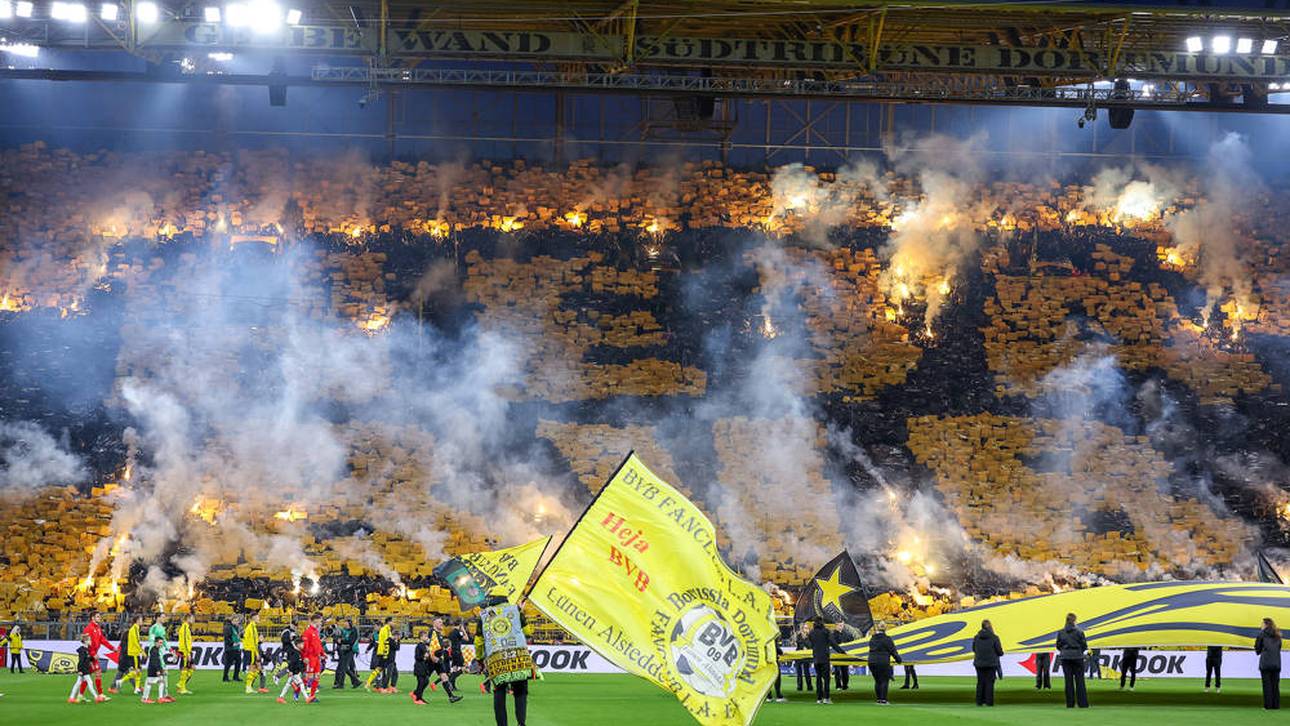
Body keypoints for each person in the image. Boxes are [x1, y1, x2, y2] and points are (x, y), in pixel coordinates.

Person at [476, 595, 529, 725]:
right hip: (518, 657)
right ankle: (521, 723)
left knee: (499, 692)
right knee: (520, 691)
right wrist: (520, 612)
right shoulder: (516, 611)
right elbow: (527, 632)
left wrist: (480, 659)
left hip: (497, 659)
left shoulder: (483, 615)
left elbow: (478, 641)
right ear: (506, 599)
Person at [1055, 612, 1090, 708]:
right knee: (1080, 681)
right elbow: (1084, 646)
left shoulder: (1061, 632)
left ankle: (1070, 703)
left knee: (1068, 681)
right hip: (1077, 657)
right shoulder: (1079, 632)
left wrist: (1064, 651)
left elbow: (1058, 645)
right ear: (1074, 620)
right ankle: (1082, 703)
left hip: (1065, 658)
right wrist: (1079, 652)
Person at [807, 618, 844, 704]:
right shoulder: (826, 631)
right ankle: (826, 697)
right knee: (826, 679)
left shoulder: (812, 632)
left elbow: (810, 644)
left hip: (816, 658)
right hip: (825, 658)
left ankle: (819, 698)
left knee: (818, 678)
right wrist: (842, 652)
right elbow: (833, 643)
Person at [82, 613, 116, 700]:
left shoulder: (98, 628)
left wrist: (112, 648)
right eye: (97, 617)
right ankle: (99, 694)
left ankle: (81, 695)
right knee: (95, 674)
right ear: (92, 618)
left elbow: (103, 640)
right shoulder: (88, 628)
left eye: (99, 617)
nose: (99, 618)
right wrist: (93, 653)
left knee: (88, 676)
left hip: (94, 655)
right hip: (89, 655)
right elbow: (86, 642)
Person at [867, 622, 901, 705]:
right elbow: (893, 651)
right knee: (884, 681)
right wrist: (898, 660)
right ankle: (883, 699)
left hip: (872, 661)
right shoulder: (887, 639)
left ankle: (878, 699)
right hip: (883, 661)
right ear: (886, 629)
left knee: (877, 681)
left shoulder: (872, 638)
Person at [972, 619, 1004, 707]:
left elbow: (974, 649)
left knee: (980, 682)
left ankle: (979, 701)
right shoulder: (995, 638)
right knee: (989, 682)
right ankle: (989, 701)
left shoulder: (976, 637)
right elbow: (999, 651)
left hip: (979, 662)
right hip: (991, 663)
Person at [68, 634, 106, 704]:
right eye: (89, 640)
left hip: (85, 669)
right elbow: (81, 661)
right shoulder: (83, 651)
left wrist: (93, 658)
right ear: (85, 641)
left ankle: (71, 698)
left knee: (78, 683)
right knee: (90, 683)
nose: (91, 641)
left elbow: (87, 659)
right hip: (84, 670)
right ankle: (96, 697)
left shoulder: (86, 649)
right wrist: (80, 670)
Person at [112, 613, 144, 694]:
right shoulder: (132, 631)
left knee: (129, 671)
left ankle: (136, 687)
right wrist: (141, 650)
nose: (142, 621)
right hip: (128, 655)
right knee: (128, 671)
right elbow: (133, 643)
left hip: (128, 654)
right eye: (141, 620)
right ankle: (118, 683)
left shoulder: (134, 630)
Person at [1255, 617, 1281, 710]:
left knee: (1267, 685)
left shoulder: (1261, 634)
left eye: (1262, 624)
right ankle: (1276, 705)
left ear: (1265, 624)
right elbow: (1279, 647)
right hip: (1276, 663)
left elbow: (1257, 649)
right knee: (1275, 685)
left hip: (1265, 663)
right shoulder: (1278, 634)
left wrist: (1260, 650)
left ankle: (1268, 705)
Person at [140, 636, 173, 704]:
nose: (161, 644)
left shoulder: (155, 649)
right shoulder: (154, 650)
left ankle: (160, 698)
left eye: (162, 643)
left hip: (154, 669)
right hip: (153, 670)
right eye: (160, 643)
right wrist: (158, 670)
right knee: (149, 684)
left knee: (161, 682)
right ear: (156, 642)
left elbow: (157, 662)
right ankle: (145, 698)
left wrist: (161, 670)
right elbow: (155, 661)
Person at [301, 614, 324, 703]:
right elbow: (305, 646)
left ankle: (312, 696)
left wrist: (322, 653)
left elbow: (318, 644)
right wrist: (305, 656)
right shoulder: (308, 632)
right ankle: (298, 689)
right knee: (308, 676)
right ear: (316, 620)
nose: (321, 623)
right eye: (320, 621)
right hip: (310, 657)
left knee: (317, 676)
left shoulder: (315, 631)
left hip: (316, 657)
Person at [277, 636, 306, 704]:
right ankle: (307, 698)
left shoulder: (298, 652)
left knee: (287, 685)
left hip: (294, 672)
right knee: (301, 684)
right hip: (294, 672)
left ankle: (281, 697)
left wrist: (302, 665)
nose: (303, 645)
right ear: (298, 645)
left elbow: (297, 663)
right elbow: (292, 663)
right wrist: (291, 671)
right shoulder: (296, 653)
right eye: (302, 644)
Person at [366, 617, 392, 693]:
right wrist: (368, 649)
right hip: (377, 654)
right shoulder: (375, 634)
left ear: (380, 626)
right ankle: (378, 685)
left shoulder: (384, 632)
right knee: (379, 669)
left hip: (381, 653)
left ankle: (379, 685)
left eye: (376, 626)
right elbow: (372, 643)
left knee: (380, 670)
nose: (375, 628)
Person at [243, 611, 267, 694]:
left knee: (256, 668)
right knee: (253, 668)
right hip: (251, 650)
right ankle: (248, 687)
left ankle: (249, 687)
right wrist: (257, 653)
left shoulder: (251, 626)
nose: (259, 618)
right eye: (258, 617)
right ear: (254, 618)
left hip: (249, 649)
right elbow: (253, 642)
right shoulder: (252, 627)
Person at [332, 618, 360, 689]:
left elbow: (351, 641)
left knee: (344, 667)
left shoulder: (354, 630)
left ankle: (341, 683)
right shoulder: (342, 630)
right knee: (345, 666)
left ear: (350, 624)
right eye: (344, 624)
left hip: (351, 650)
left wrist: (341, 641)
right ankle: (355, 681)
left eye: (346, 624)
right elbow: (336, 638)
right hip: (343, 650)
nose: (345, 625)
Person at [411, 630, 434, 705]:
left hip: (424, 666)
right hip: (419, 666)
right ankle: (418, 698)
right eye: (425, 636)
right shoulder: (419, 646)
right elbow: (417, 657)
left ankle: (416, 694)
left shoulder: (425, 645)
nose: (426, 637)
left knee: (426, 681)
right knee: (421, 682)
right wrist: (424, 657)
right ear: (421, 637)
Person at [176, 613, 195, 695]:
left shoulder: (186, 627)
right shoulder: (184, 627)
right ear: (188, 619)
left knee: (191, 669)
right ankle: (182, 687)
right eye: (192, 618)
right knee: (185, 669)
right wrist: (187, 653)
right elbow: (184, 641)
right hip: (185, 651)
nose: (193, 620)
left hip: (187, 651)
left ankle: (180, 684)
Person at [766, 630, 786, 703]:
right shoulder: (773, 639)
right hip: (774, 660)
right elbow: (777, 650)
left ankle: (769, 696)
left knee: (768, 679)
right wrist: (781, 652)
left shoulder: (764, 638)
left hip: (767, 661)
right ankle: (778, 695)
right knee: (777, 678)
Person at [222, 615, 242, 682]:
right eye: (236, 620)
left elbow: (236, 636)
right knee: (228, 663)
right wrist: (232, 643)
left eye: (238, 621)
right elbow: (227, 638)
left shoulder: (235, 627)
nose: (237, 622)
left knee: (238, 662)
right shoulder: (228, 627)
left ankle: (236, 677)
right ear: (232, 620)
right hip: (230, 648)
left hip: (236, 648)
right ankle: (225, 677)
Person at [830, 626, 850, 691]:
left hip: (844, 655)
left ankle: (845, 685)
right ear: (836, 625)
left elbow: (850, 643)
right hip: (836, 655)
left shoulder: (846, 634)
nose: (840, 627)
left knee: (845, 671)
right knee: (837, 671)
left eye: (841, 625)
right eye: (839, 625)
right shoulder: (833, 634)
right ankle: (838, 685)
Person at [794, 622, 813, 691]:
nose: (807, 629)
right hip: (798, 655)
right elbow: (799, 644)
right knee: (799, 672)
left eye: (807, 628)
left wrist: (805, 639)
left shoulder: (810, 636)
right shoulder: (798, 636)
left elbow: (810, 646)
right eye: (805, 628)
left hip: (806, 656)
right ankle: (799, 686)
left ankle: (809, 686)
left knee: (807, 671)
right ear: (802, 629)